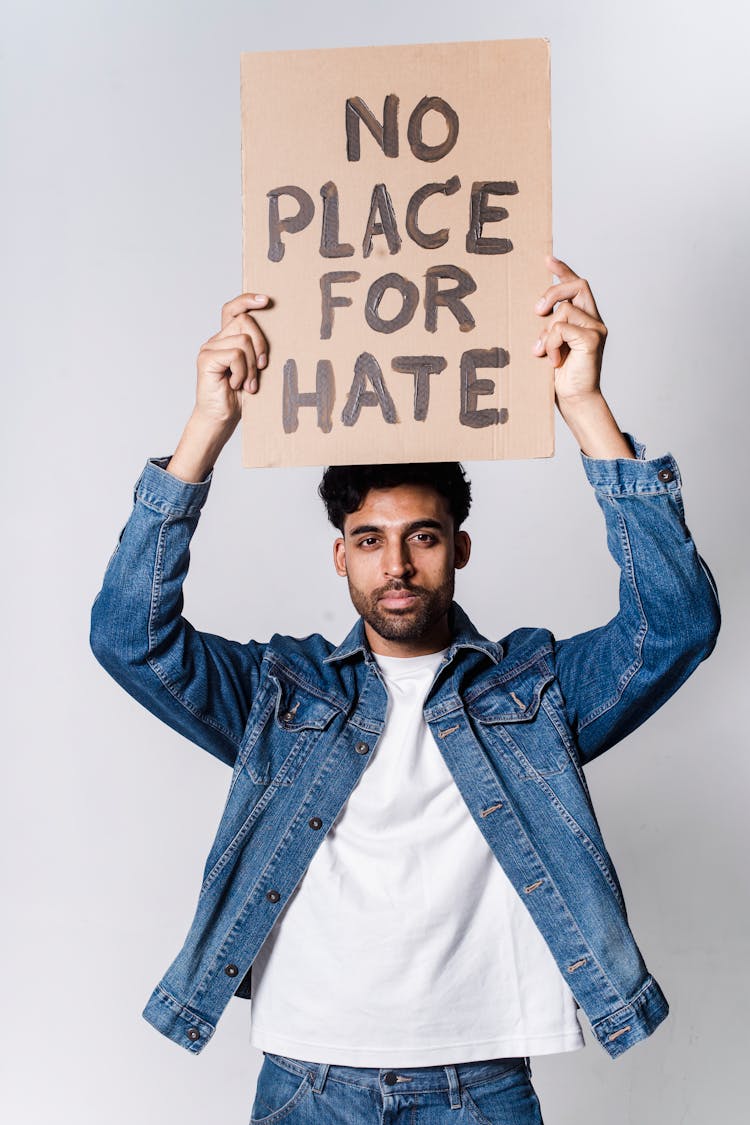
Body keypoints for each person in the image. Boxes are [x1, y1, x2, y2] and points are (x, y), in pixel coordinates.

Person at [90, 258, 720, 1124]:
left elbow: (676, 624)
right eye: (369, 539)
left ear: (459, 548)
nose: (396, 565)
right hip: (307, 1077)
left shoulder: (531, 691)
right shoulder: (285, 693)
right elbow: (131, 639)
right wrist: (206, 426)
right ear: (339, 554)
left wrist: (585, 408)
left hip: (482, 1081)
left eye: (422, 536)